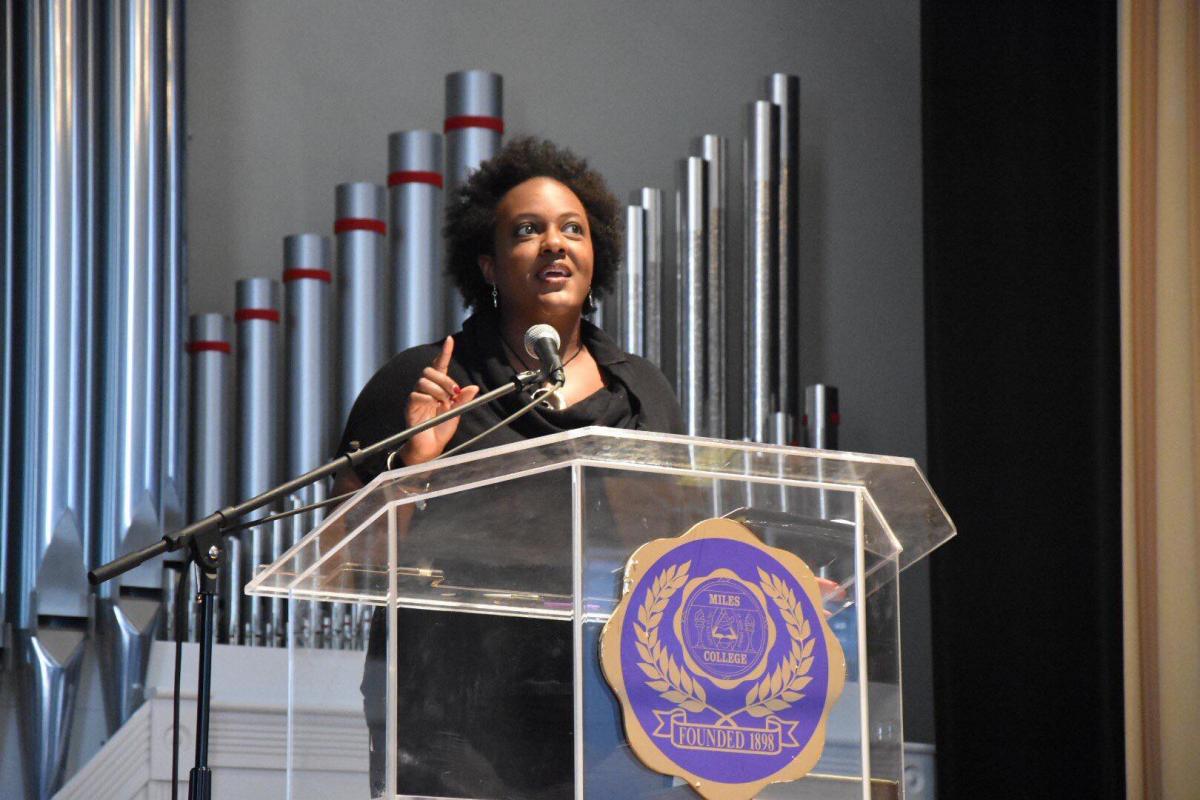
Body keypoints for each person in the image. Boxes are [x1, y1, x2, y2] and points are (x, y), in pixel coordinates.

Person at [333, 137, 684, 798]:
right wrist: (416, 463)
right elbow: (347, 564)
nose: (555, 243)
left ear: (593, 254)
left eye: (572, 230)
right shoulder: (426, 380)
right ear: (489, 267)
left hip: (608, 705)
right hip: (448, 713)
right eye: (529, 231)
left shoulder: (645, 394)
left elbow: (670, 551)